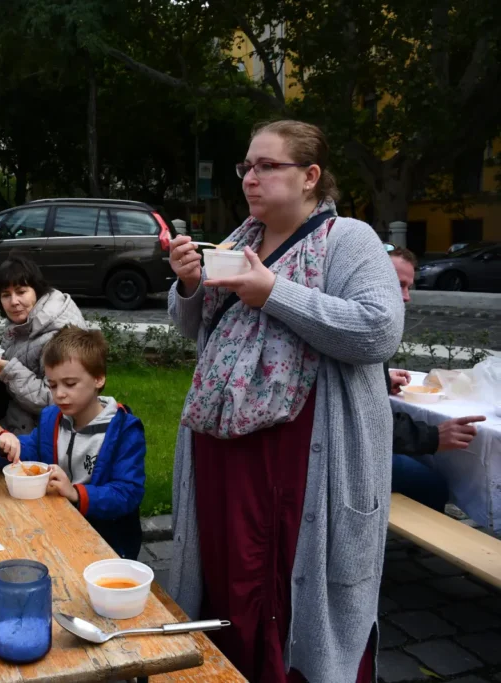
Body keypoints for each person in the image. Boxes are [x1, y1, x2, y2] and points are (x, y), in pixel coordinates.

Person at [166, 120, 404, 683]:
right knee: (229, 576)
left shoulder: (350, 240)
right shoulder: (241, 240)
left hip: (301, 458)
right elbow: (202, 335)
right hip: (223, 452)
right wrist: (188, 286)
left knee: (286, 585)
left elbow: (377, 331)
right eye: (247, 167)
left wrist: (273, 293)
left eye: (267, 166)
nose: (251, 177)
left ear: (310, 177)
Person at [0, 327, 145, 559]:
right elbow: (27, 452)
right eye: (52, 385)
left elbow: (127, 493)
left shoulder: (124, 430)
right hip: (55, 527)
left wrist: (75, 493)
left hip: (106, 543)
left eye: (70, 384)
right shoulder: (52, 419)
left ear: (98, 378)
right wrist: (5, 443)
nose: (59, 394)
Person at [386, 247, 485, 511]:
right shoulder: (356, 328)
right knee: (434, 485)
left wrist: (381, 380)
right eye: (399, 285)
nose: (406, 297)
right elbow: (360, 418)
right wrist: (432, 436)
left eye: (410, 287)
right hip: (331, 456)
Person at [0, 255, 86, 435]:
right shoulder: (24, 322)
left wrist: (7, 372)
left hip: (41, 438)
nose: (14, 302)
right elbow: (19, 358)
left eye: (21, 291)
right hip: (8, 423)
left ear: (37, 291)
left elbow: (56, 401)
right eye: (6, 295)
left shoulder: (60, 335)